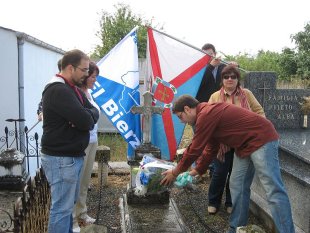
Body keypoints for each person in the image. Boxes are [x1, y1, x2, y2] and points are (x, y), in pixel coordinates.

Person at [161, 95, 295, 233]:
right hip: (243, 145)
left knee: (273, 189)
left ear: (187, 109)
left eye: (180, 117)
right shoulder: (206, 115)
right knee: (237, 184)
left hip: (261, 138)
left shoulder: (206, 114)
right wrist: (196, 171)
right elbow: (211, 147)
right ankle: (237, 227)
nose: (182, 121)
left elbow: (195, 149)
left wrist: (174, 172)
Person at [40, 49, 99, 233]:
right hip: (61, 158)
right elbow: (86, 120)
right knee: (62, 209)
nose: (86, 74)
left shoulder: (72, 88)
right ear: (70, 68)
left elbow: (92, 113)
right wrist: (84, 118)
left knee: (67, 207)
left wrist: (84, 117)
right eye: (83, 70)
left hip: (70, 156)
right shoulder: (58, 89)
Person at [195, 65, 265, 215]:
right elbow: (208, 117)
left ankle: (230, 202)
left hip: (242, 143)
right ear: (222, 79)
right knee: (220, 173)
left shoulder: (247, 94)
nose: (230, 79)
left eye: (233, 76)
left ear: (238, 79)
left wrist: (257, 129)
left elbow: (259, 112)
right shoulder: (215, 96)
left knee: (236, 175)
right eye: (226, 77)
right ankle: (213, 201)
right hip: (223, 144)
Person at [72, 61, 100, 232]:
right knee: (75, 181)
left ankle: (82, 212)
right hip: (80, 143)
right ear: (84, 76)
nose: (95, 80)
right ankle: (73, 219)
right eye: (93, 76)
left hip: (92, 140)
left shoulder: (89, 93)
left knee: (84, 180)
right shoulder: (74, 93)